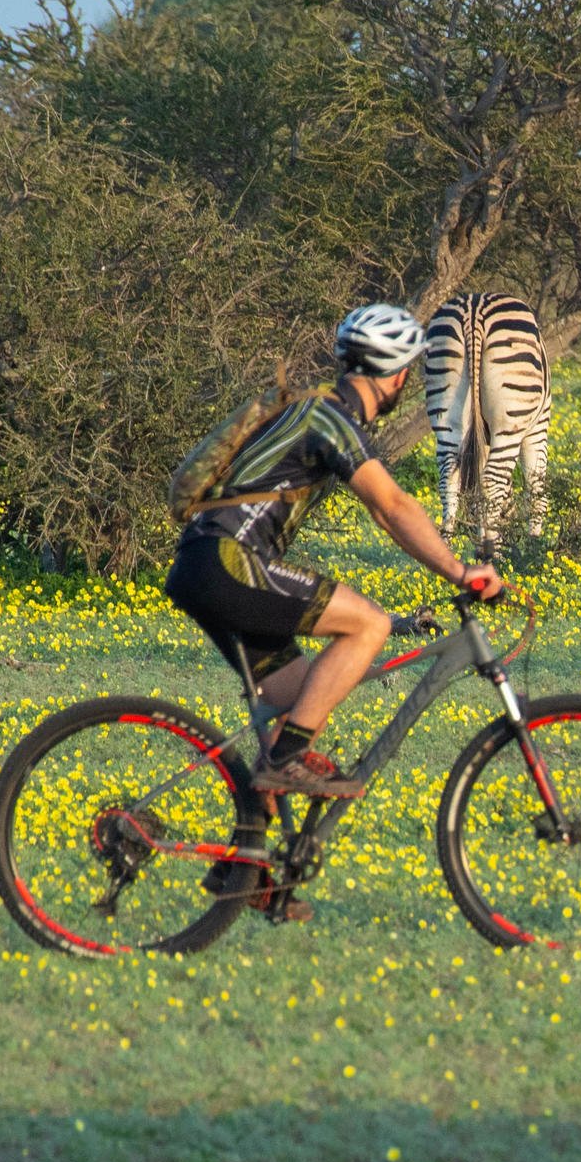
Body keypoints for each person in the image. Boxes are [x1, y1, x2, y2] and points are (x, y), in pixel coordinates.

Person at [165, 303, 506, 800]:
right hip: (227, 561)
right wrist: (458, 571)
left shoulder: (314, 406)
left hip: (202, 565)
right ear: (397, 376)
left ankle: (247, 866)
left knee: (306, 701)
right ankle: (284, 762)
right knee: (370, 623)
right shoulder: (332, 419)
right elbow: (390, 505)